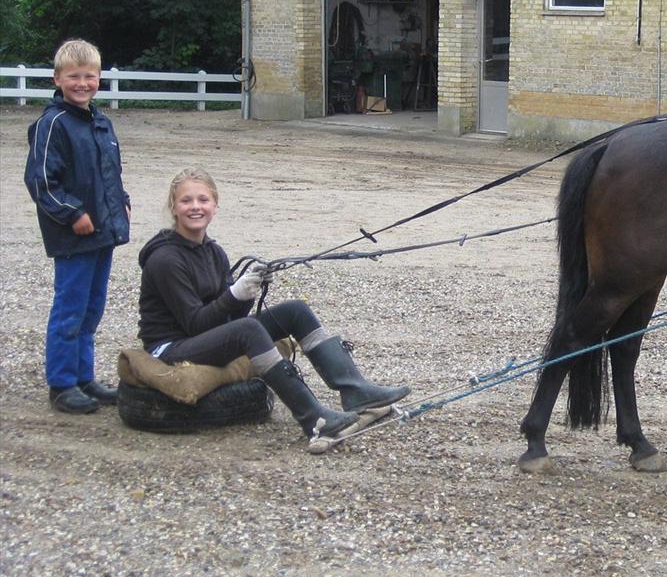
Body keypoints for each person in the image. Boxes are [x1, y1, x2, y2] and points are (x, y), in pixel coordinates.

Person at [137, 167, 410, 448]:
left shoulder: (214, 252)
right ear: (173, 206)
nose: (195, 207)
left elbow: (228, 319)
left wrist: (246, 294)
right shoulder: (165, 260)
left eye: (203, 200)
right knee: (249, 329)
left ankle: (356, 390)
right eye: (186, 201)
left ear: (215, 205)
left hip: (201, 335)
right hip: (172, 346)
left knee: (294, 310)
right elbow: (196, 324)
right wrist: (234, 294)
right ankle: (313, 418)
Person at [24, 39, 131, 414]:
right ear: (57, 79)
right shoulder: (52, 125)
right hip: (74, 235)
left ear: (99, 78)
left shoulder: (101, 122)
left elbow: (109, 173)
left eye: (89, 76)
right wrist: (72, 213)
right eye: (74, 76)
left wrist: (123, 203)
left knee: (92, 309)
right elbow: (41, 181)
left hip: (103, 233)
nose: (82, 83)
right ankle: (62, 382)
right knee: (69, 310)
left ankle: (85, 376)